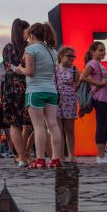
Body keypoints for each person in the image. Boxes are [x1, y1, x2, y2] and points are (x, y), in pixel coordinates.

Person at [14, 22, 63, 169]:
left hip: (35, 91)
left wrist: (19, 69)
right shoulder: (53, 51)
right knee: (53, 125)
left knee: (38, 126)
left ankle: (40, 159)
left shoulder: (30, 49)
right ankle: (56, 159)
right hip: (51, 91)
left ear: (31, 34)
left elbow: (30, 71)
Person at [1, 19, 32, 166]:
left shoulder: (7, 48)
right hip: (25, 85)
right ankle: (23, 155)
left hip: (10, 87)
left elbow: (8, 66)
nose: (29, 33)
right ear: (21, 30)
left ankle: (21, 158)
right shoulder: (30, 47)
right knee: (29, 123)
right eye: (27, 30)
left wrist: (16, 68)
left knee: (15, 123)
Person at [80, 41, 107, 164]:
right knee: (101, 126)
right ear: (93, 52)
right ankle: (100, 156)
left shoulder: (100, 64)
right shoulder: (93, 63)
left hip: (105, 99)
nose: (103, 52)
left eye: (104, 50)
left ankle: (103, 155)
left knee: (105, 127)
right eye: (100, 50)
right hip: (99, 98)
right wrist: (99, 84)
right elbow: (82, 77)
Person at [55, 46, 79, 162]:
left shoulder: (74, 69)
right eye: (69, 56)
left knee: (69, 129)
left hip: (70, 100)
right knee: (58, 129)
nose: (72, 58)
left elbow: (78, 86)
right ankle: (60, 156)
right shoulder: (54, 69)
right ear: (61, 56)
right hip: (56, 100)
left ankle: (72, 155)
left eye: (73, 56)